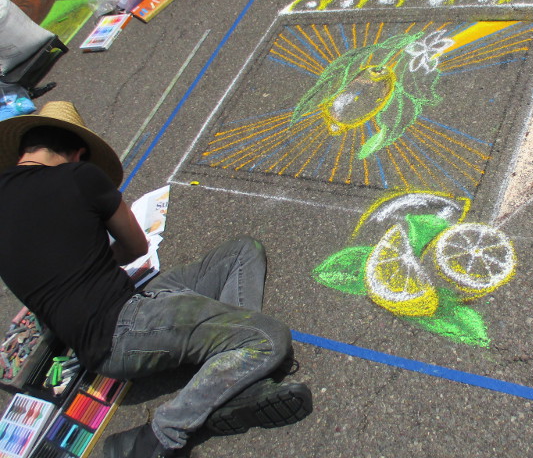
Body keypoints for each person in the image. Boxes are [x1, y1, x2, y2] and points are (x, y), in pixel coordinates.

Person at [0, 101, 312, 458]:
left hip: (118, 315)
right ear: (79, 153)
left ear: (24, 150)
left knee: (241, 251)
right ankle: (160, 435)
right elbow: (134, 246)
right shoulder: (80, 177)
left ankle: (233, 376)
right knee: (268, 338)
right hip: (120, 330)